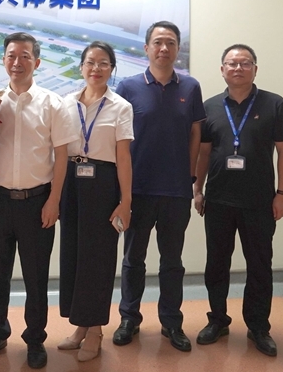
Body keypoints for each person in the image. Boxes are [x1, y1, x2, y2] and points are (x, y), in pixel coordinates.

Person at [0, 32, 77, 369]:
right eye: (11, 56)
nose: (17, 62)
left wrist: (54, 201)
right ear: (3, 60)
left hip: (38, 202)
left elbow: (62, 156)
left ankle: (34, 339)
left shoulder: (53, 103)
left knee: (36, 277)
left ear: (37, 62)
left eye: (25, 56)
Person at [113, 21, 206, 352]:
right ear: (146, 48)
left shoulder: (191, 87)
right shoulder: (128, 86)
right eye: (157, 42)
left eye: (170, 43)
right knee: (133, 259)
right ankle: (129, 319)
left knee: (172, 261)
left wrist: (190, 177)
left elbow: (195, 134)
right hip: (137, 190)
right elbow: (118, 139)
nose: (164, 48)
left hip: (176, 191)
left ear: (178, 49)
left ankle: (171, 322)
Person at [193, 44, 283, 356]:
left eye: (245, 63)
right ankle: (218, 319)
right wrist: (198, 189)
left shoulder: (275, 104)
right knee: (216, 263)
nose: (238, 68)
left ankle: (258, 326)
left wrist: (281, 194)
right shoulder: (210, 107)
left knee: (260, 265)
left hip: (259, 201)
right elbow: (204, 153)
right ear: (222, 70)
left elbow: (282, 152)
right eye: (232, 63)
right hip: (218, 200)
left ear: (255, 69)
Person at [55, 41, 133, 360]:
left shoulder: (120, 107)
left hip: (103, 184)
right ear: (81, 66)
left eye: (103, 63)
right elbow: (58, 151)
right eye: (90, 62)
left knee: (98, 258)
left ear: (112, 69)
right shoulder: (65, 103)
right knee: (73, 254)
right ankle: (80, 325)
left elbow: (124, 157)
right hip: (71, 183)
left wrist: (125, 201)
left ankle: (96, 329)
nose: (96, 68)